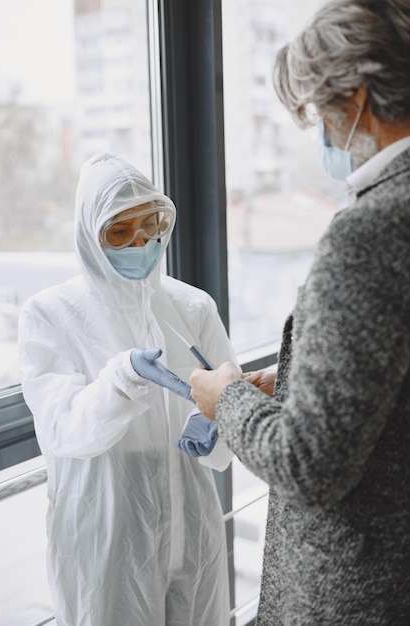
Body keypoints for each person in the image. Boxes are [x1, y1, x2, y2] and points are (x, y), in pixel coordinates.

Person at [189, 1, 410, 624]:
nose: (318, 130)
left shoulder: (371, 233)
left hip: (364, 588)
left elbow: (309, 465)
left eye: (316, 110)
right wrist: (293, 385)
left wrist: (228, 398)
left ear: (358, 95)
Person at [18, 152, 237, 626]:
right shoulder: (51, 314)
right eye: (120, 231)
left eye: (152, 223)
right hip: (106, 535)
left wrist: (217, 424)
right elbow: (65, 431)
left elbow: (231, 417)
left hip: (195, 525)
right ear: (90, 236)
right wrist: (123, 379)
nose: (142, 241)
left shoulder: (191, 306)